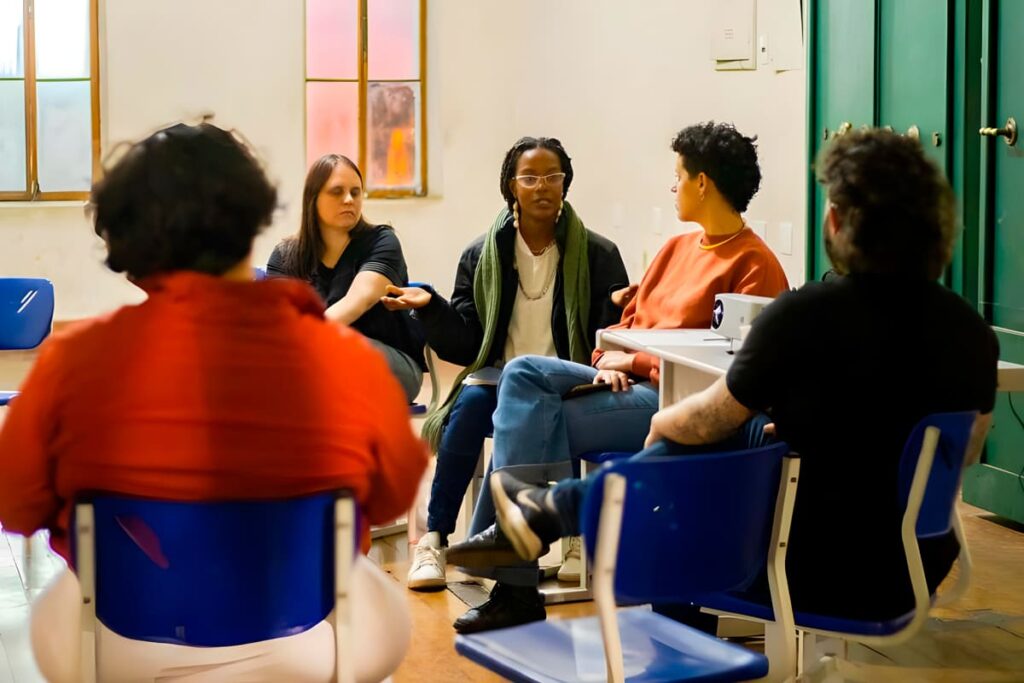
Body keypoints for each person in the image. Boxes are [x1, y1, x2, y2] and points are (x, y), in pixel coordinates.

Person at [476, 127, 998, 625]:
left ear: (836, 222)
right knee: (739, 434)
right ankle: (540, 516)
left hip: (800, 567)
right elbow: (964, 451)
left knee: (698, 444)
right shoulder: (974, 335)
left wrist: (667, 426)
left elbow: (708, 420)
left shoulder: (806, 315)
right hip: (911, 576)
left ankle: (551, 518)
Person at [0, 123, 427, 683]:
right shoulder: (339, 356)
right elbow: (394, 490)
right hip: (304, 642)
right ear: (251, 221)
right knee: (375, 599)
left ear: (130, 244)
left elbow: (14, 503)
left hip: (123, 643)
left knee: (59, 608)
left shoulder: (74, 361)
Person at [446, 121, 790, 633]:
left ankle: (512, 576)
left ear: (702, 182)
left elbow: (731, 374)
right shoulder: (677, 249)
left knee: (530, 411)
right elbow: (624, 328)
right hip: (629, 386)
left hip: (677, 409)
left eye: (678, 176)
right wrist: (610, 362)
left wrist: (634, 362)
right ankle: (515, 546)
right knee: (523, 378)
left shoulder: (755, 265)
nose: (672, 187)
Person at [379, 137, 629, 593]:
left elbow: (606, 336)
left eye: (552, 176)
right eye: (529, 178)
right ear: (511, 186)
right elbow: (467, 344)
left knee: (562, 407)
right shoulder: (483, 255)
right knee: (468, 408)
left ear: (566, 183)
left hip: (567, 377)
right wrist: (431, 306)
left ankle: (573, 540)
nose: (542, 187)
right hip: (500, 378)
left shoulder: (599, 254)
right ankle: (434, 539)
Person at [268, 154, 425, 403]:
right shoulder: (286, 257)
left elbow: (357, 302)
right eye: (336, 192)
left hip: (392, 368)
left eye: (355, 192)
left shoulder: (382, 242)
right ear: (313, 198)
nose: (349, 200)